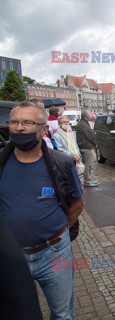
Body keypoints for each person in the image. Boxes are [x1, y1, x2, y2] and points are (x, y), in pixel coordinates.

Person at [0, 101, 84, 319]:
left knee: (62, 313)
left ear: (44, 129)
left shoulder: (62, 163)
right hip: (10, 256)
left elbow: (77, 202)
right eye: (14, 122)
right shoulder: (1, 162)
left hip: (54, 253)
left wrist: (61, 230)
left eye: (28, 122)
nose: (19, 128)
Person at [76, 110, 98, 187]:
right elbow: (90, 136)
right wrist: (94, 143)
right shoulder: (84, 125)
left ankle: (88, 180)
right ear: (87, 116)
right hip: (87, 147)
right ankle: (87, 181)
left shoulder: (81, 123)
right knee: (88, 164)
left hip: (83, 146)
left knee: (87, 163)